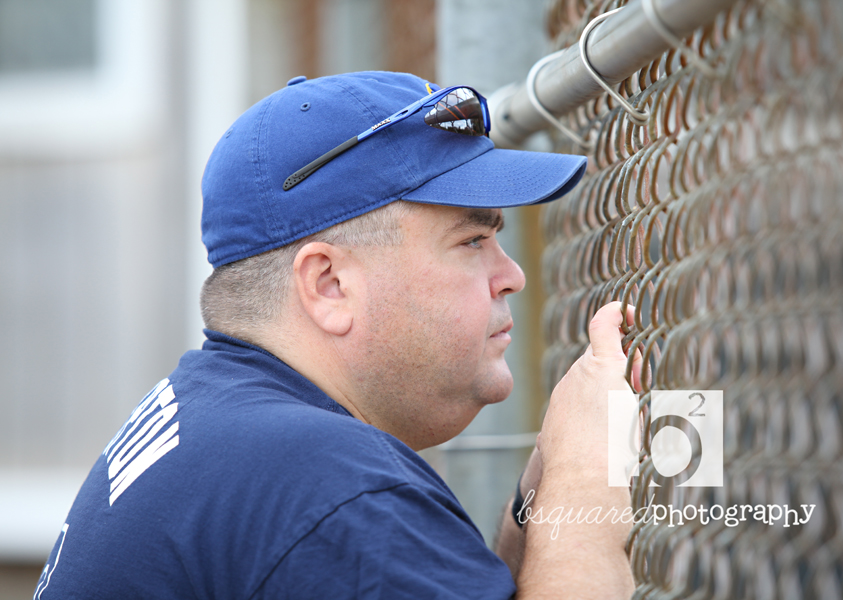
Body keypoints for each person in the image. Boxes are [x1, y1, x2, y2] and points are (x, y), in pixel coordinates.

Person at [34, 71, 638, 599]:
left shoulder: (223, 420)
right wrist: (588, 474)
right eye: (472, 241)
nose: (512, 276)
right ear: (329, 285)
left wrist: (547, 485)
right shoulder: (328, 485)